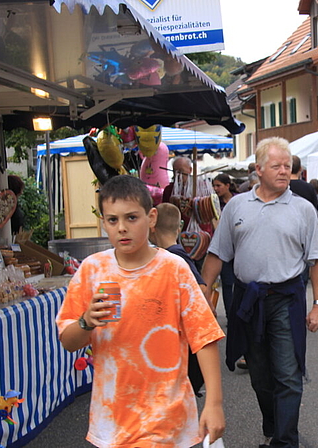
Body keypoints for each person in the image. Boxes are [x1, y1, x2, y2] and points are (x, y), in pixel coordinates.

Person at [56, 175, 225, 447]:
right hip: (113, 420)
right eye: (112, 220)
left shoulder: (174, 269)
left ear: (152, 217)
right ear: (103, 222)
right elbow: (68, 341)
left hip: (169, 418)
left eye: (132, 218)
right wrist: (86, 321)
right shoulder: (92, 270)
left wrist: (214, 403)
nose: (122, 228)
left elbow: (204, 337)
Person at [201, 137, 318, 448]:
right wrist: (204, 291)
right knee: (259, 375)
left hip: (287, 299)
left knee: (288, 372)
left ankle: (285, 441)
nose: (285, 171)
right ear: (258, 170)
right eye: (277, 166)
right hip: (248, 301)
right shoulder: (236, 206)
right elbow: (218, 253)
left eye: (288, 166)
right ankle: (273, 426)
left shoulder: (303, 209)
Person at [149, 202, 208, 397]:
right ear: (179, 227)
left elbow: (199, 289)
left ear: (151, 225)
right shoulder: (173, 254)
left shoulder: (174, 257)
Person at [213, 173, 238, 315]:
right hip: (224, 246)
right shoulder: (214, 203)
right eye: (214, 186)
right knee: (227, 283)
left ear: (227, 186)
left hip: (239, 246)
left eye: (219, 185)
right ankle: (230, 314)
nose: (216, 189)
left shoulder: (238, 200)